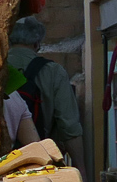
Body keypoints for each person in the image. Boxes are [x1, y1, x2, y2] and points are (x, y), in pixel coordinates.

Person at [5, 16, 84, 170]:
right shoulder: (53, 72)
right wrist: (82, 173)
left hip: (0, 162)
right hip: (38, 160)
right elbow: (70, 127)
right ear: (37, 43)